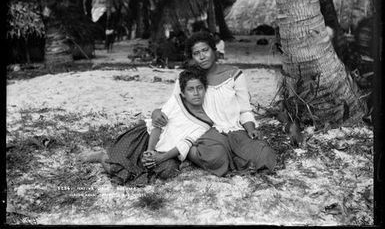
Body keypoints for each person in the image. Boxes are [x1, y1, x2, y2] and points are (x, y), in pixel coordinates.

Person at [152, 31, 277, 176]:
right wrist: (156, 112)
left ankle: (230, 157)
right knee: (216, 157)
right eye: (196, 53)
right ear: (192, 57)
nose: (202, 56)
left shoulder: (234, 75)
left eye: (205, 50)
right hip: (206, 133)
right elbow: (174, 103)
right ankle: (192, 152)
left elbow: (245, 110)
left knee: (264, 154)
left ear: (214, 50)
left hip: (235, 129)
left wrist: (250, 129)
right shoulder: (189, 79)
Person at [79, 66, 213, 185]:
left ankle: (152, 163)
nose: (196, 93)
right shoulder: (177, 101)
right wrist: (149, 151)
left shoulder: (205, 122)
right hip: (147, 139)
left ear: (205, 89)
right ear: (183, 92)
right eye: (190, 89)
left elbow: (185, 144)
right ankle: (102, 156)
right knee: (117, 167)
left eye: (199, 88)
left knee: (168, 172)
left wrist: (160, 157)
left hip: (166, 153)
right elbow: (158, 125)